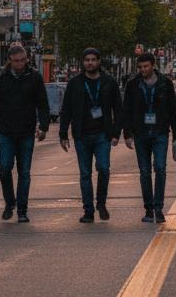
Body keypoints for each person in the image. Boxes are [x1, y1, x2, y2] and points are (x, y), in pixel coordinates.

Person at [0, 42, 50, 223]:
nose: (20, 64)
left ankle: (22, 209)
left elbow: (42, 103)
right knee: (5, 168)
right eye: (16, 61)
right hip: (5, 131)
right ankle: (9, 201)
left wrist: (43, 126)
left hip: (26, 131)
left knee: (24, 172)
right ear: (9, 60)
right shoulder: (0, 76)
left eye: (23, 61)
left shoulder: (33, 76)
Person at [59, 48, 122, 223]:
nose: (90, 63)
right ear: (83, 62)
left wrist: (116, 132)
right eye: (87, 60)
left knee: (103, 168)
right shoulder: (75, 83)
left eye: (93, 60)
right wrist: (63, 134)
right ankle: (88, 210)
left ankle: (101, 202)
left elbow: (118, 108)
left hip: (103, 134)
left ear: (99, 61)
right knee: (85, 174)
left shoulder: (109, 81)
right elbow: (66, 110)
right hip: (81, 135)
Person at [123, 51, 176, 224]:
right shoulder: (133, 85)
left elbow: (173, 110)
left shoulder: (165, 83)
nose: (143, 69)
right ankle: (148, 208)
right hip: (140, 133)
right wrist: (127, 134)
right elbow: (126, 110)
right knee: (145, 172)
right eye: (140, 67)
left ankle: (158, 208)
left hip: (160, 132)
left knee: (160, 168)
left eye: (146, 66)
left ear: (154, 65)